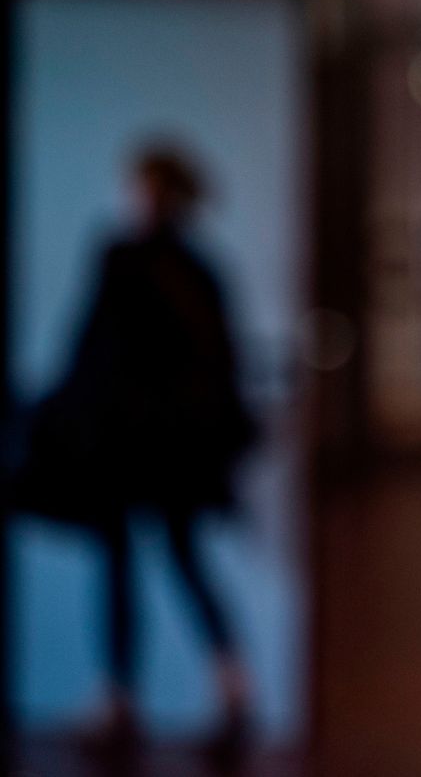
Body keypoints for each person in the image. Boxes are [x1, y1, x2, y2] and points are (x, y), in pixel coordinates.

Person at [32, 140, 257, 759]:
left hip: (147, 446)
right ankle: (141, 696)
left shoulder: (162, 268)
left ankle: (174, 695)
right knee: (148, 562)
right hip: (147, 446)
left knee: (152, 562)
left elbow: (97, 350)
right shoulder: (175, 268)